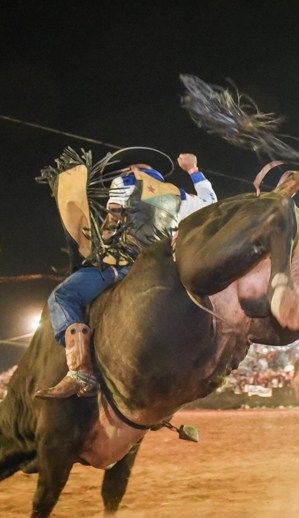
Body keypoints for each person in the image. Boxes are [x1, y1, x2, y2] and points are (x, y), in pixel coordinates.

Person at [36, 152, 217, 399]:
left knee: (63, 296)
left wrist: (94, 247)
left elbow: (112, 221)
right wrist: (194, 169)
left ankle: (80, 370)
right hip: (163, 269)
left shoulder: (125, 182)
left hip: (121, 266)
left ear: (132, 168)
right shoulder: (179, 194)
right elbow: (211, 202)